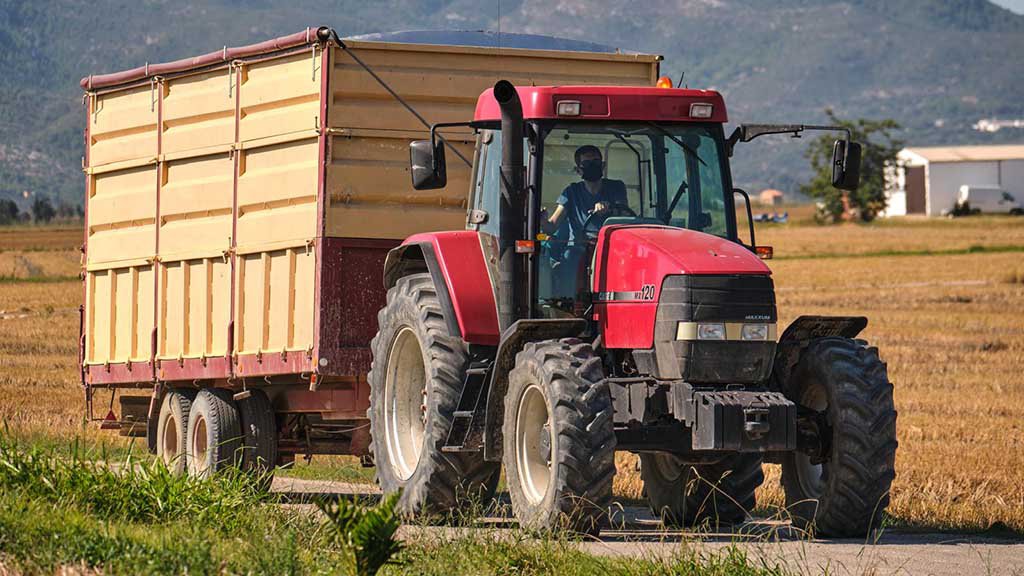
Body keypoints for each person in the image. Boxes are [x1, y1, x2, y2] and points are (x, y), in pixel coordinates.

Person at [541, 145, 628, 242]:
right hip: (579, 248)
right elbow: (551, 227)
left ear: (602, 166)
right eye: (586, 163)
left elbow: (625, 217)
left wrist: (609, 208)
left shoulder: (616, 187)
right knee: (571, 255)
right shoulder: (571, 192)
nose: (592, 166)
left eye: (595, 162)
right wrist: (542, 221)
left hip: (611, 244)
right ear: (578, 170)